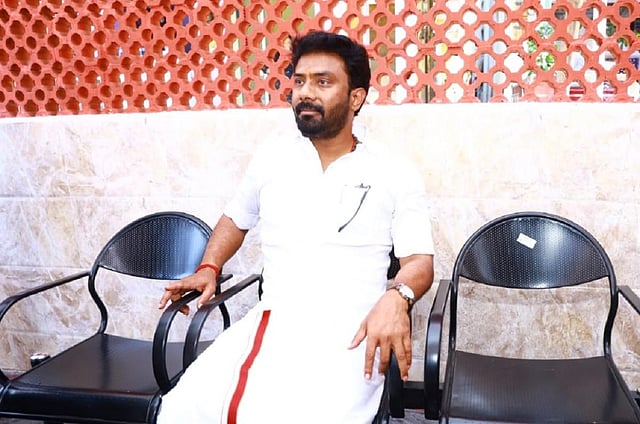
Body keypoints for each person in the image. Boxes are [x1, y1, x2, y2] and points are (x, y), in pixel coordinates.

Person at [157, 30, 434, 424]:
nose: (305, 92)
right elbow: (235, 219)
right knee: (184, 408)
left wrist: (398, 297)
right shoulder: (273, 157)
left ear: (356, 98)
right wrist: (208, 267)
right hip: (275, 320)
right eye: (300, 81)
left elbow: (419, 262)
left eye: (323, 82)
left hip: (350, 331)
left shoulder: (392, 170)